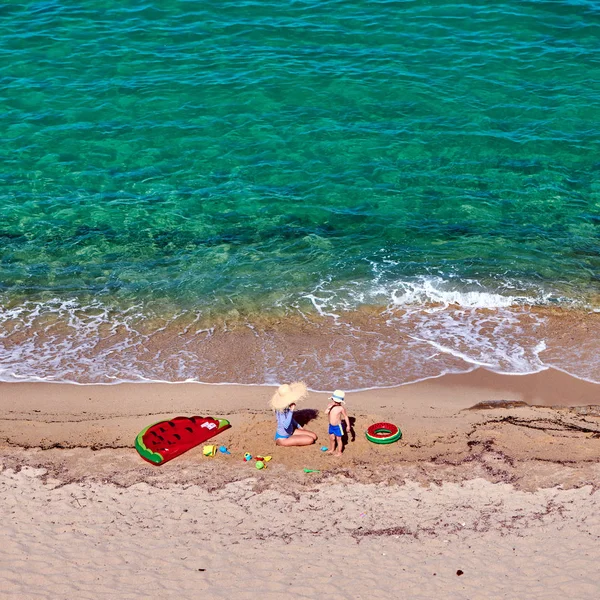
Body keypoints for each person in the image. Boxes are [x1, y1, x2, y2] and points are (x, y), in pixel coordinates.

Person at [270, 382, 318, 447]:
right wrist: (291, 410)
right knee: (311, 440)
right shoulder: (280, 410)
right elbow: (286, 425)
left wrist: (298, 426)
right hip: (283, 438)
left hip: (290, 431)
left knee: (314, 436)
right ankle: (280, 442)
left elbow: (291, 419)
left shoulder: (286, 406)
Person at [325, 389, 351, 456]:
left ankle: (339, 452)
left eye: (338, 402)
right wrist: (329, 408)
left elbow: (345, 416)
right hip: (331, 426)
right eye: (335, 401)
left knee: (338, 439)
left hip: (338, 426)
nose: (336, 403)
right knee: (332, 438)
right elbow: (325, 412)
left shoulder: (341, 408)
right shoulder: (330, 405)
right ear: (333, 399)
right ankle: (332, 449)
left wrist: (348, 426)